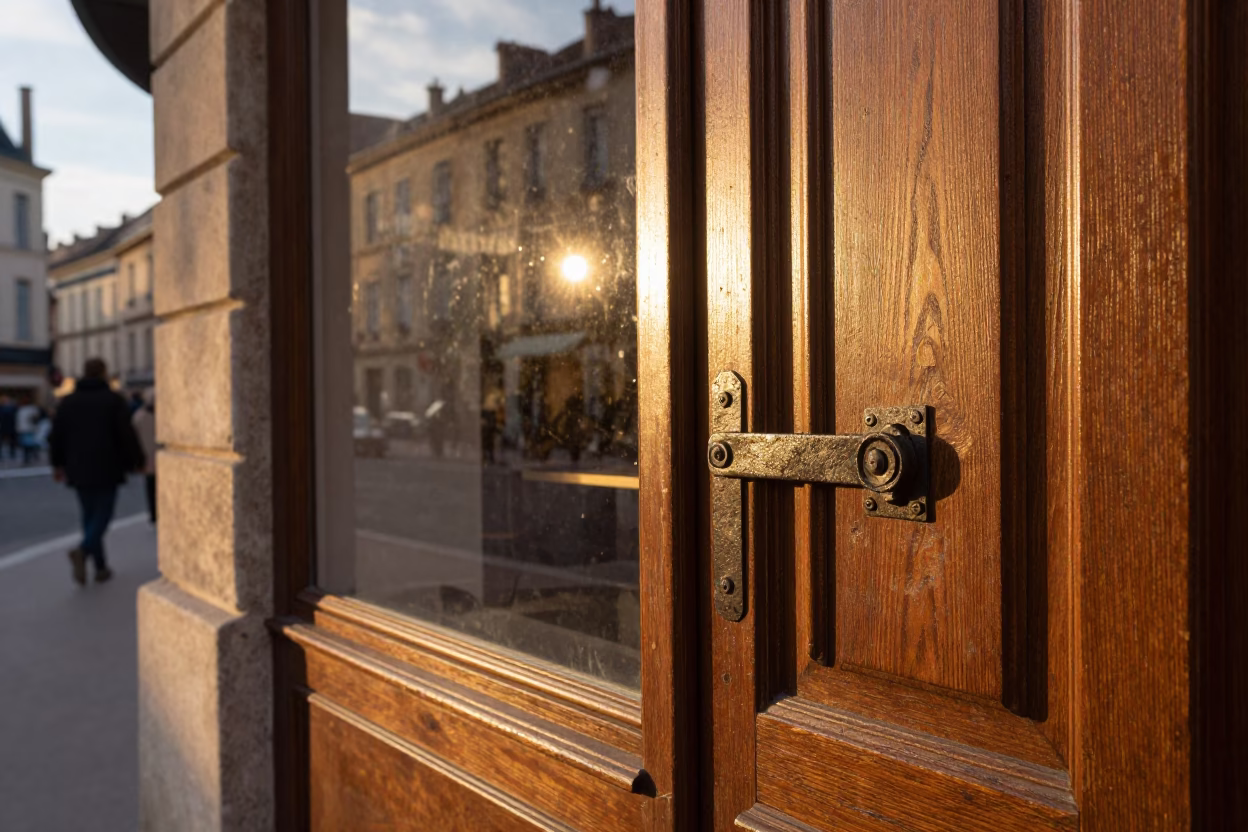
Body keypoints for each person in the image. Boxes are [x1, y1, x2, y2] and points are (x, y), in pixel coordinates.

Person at [49, 359, 145, 585]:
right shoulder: (113, 400)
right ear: (103, 373)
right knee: (103, 514)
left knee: (89, 514)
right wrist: (137, 461)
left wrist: (57, 465)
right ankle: (84, 551)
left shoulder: (68, 402)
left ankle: (100, 567)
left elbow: (57, 436)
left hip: (78, 466)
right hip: (107, 464)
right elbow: (126, 434)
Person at [131, 389, 157, 523]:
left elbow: (133, 438)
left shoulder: (139, 416)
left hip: (147, 457)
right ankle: (154, 513)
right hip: (152, 456)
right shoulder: (164, 415)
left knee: (151, 488)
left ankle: (153, 514)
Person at [15, 396, 41, 465]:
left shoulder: (32, 409)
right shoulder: (21, 409)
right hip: (23, 429)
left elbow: (35, 418)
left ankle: (31, 457)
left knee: (29, 444)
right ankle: (28, 458)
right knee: (25, 445)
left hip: (30, 429)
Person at [0, 396, 16, 460]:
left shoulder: (13, 408)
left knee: (12, 441)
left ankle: (12, 452)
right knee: (2, 441)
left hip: (11, 426)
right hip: (3, 426)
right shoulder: (1, 408)